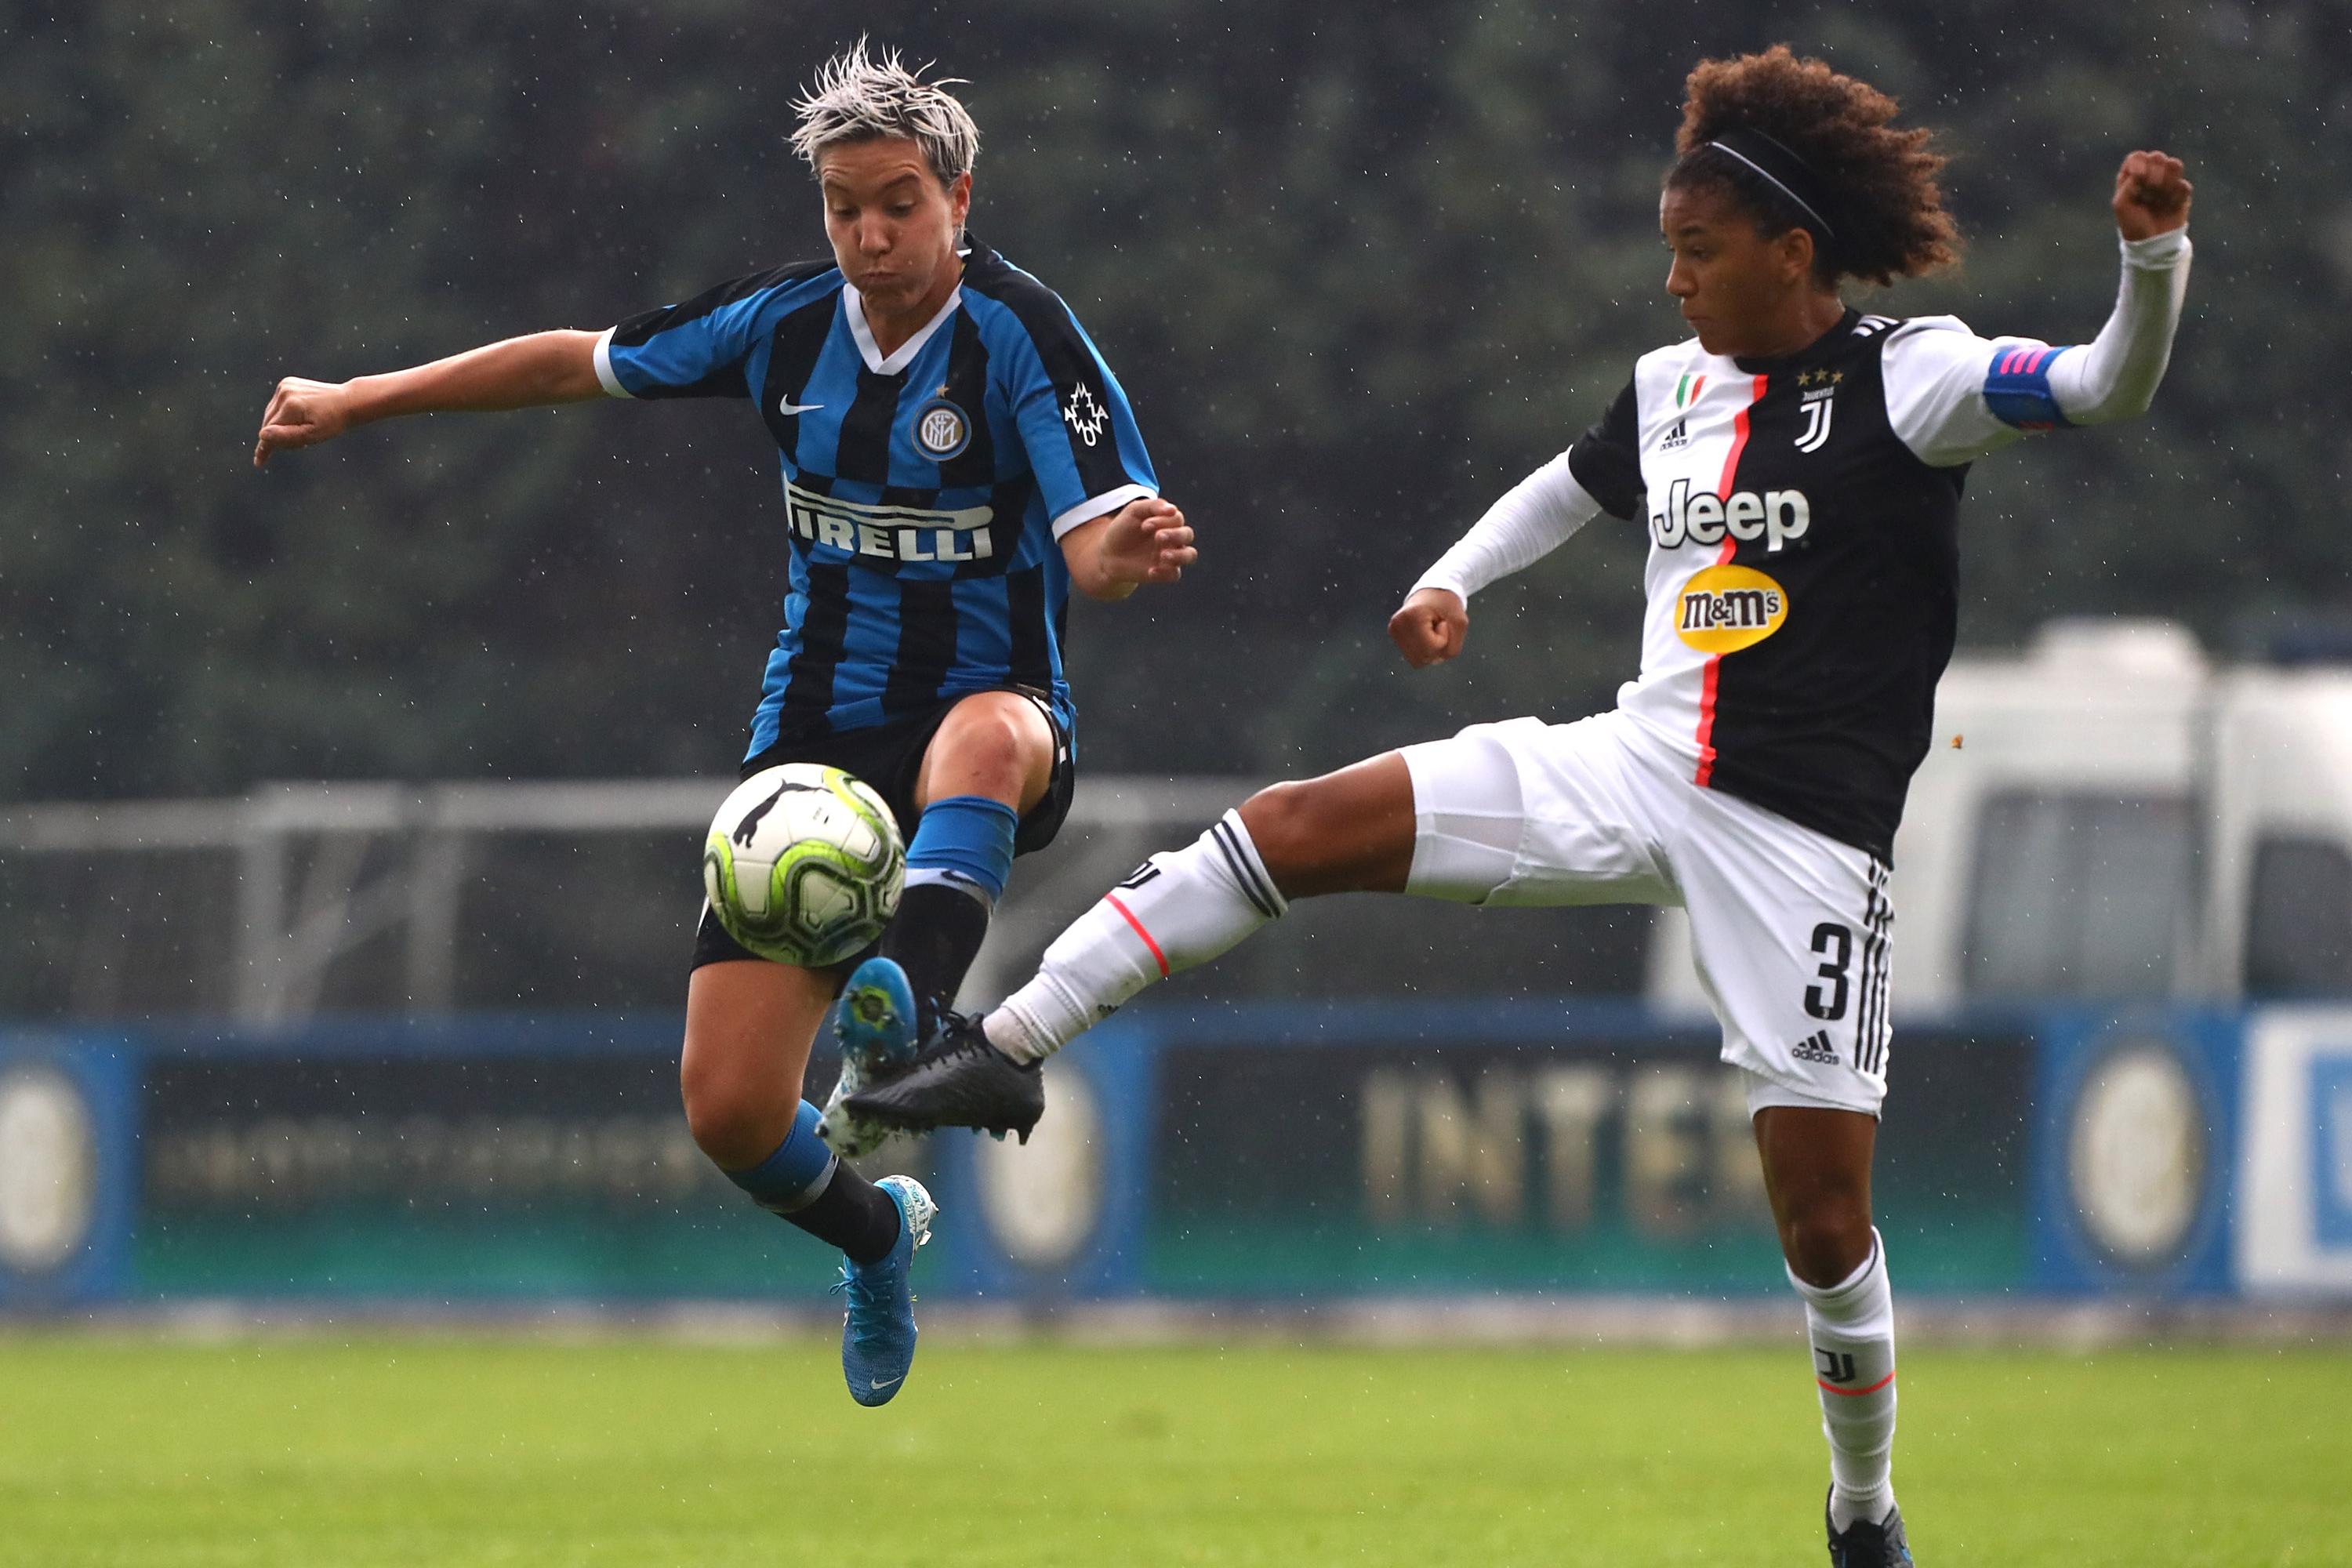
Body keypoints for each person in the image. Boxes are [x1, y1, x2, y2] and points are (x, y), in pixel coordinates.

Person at [849, 44, 2190, 1561]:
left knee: (1823, 1227)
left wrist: (2151, 261)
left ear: (1794, 253)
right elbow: (1569, 482)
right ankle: (1006, 1043)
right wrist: (1449, 578)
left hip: (1805, 848)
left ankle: (1864, 1507)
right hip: (1628, 765)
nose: (1674, 282)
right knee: (1296, 826)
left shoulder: (1918, 376)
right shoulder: (1671, 391)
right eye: (1666, 253)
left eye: (1699, 253)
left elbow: (2102, 384)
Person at [252, 40, 1196, 1406]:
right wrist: (364, 397)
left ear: (961, 199)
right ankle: (876, 1237)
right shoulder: (783, 328)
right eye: (844, 207)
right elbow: (571, 364)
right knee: (730, 1115)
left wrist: (1129, 553)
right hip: (812, 743)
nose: (869, 235)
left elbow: (1096, 548)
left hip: (1000, 712)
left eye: (898, 205)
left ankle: (908, 1026)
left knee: (980, 737)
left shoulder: (1025, 336)